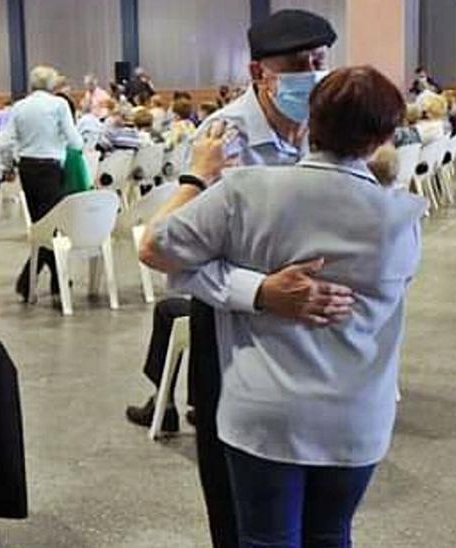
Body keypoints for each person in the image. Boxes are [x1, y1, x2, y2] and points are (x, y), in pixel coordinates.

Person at [141, 65, 422, 548]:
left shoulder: (246, 193)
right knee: (332, 534)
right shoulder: (400, 218)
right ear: (383, 137)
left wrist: (195, 178)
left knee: (265, 540)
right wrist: (261, 289)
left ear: (310, 120)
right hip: (356, 415)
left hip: (266, 411)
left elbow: (156, 246)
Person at [124, 10, 349, 548]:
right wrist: (262, 293)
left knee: (316, 500)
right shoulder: (223, 138)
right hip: (233, 332)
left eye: (321, 61)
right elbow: (174, 255)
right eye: (299, 65)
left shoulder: (326, 130)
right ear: (258, 73)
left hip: (312, 334)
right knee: (237, 501)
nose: (314, 74)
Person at [5, 65, 83, 300]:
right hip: (51, 168)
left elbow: (7, 139)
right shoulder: (59, 105)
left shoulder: (19, 106)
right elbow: (75, 141)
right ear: (52, 85)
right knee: (51, 226)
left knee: (41, 225)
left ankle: (32, 281)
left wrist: (7, 164)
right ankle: (54, 280)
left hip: (27, 168)